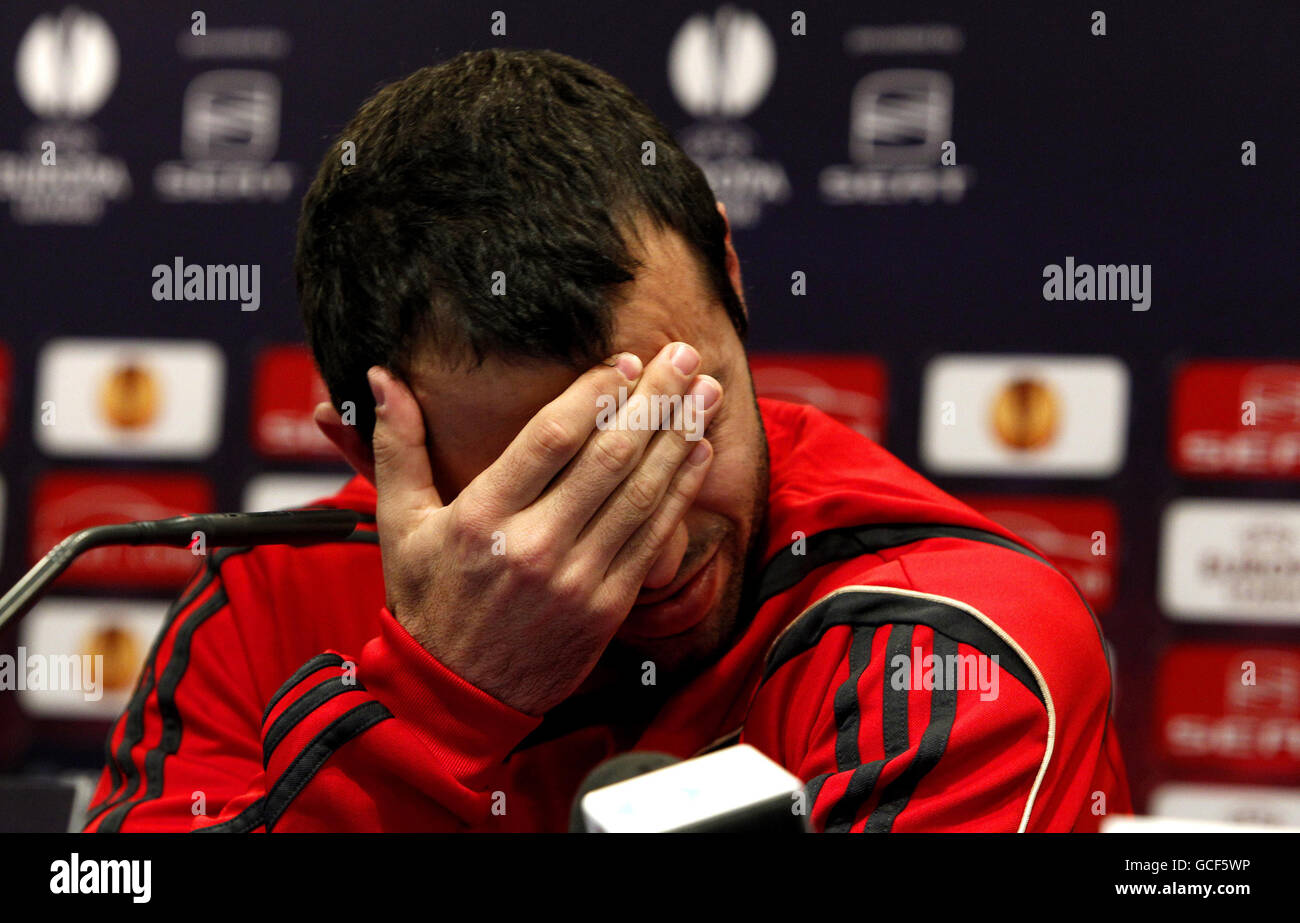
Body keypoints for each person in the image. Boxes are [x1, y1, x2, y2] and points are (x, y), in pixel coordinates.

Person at [83, 49, 1129, 832]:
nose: (659, 545)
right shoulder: (264, 598)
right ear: (369, 458)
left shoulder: (946, 651)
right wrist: (438, 702)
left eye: (682, 418)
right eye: (553, 481)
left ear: (728, 265)